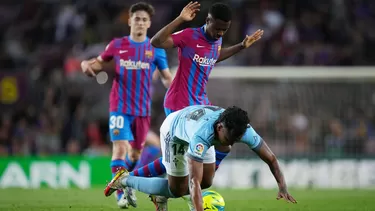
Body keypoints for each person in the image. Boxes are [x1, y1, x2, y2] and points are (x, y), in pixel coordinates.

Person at [125, 1, 263, 208]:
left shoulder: (217, 39)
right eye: (217, 28)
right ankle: (134, 181)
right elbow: (156, 41)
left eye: (224, 30)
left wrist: (240, 46)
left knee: (220, 145)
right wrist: (180, 19)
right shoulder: (190, 36)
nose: (219, 34)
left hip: (201, 105)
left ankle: (177, 189)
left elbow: (214, 55)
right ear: (207, 21)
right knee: (181, 160)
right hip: (179, 105)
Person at [105, 105, 297, 211]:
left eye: (238, 139)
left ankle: (160, 195)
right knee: (178, 188)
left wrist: (282, 186)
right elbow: (193, 182)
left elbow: (271, 158)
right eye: (231, 138)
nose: (233, 142)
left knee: (208, 180)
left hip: (195, 125)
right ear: (221, 128)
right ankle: (125, 180)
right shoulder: (201, 137)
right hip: (175, 132)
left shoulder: (241, 129)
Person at [80, 2, 172, 208]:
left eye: (144, 20)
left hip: (142, 111)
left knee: (134, 155)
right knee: (120, 149)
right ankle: (120, 194)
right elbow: (98, 62)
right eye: (137, 18)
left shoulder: (155, 50)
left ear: (149, 24)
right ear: (130, 21)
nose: (140, 22)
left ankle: (126, 181)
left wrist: (177, 92)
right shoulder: (117, 45)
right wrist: (87, 65)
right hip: (120, 107)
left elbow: (166, 77)